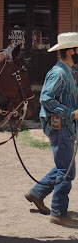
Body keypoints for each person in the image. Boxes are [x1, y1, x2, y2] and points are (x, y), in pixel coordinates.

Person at [24, 32, 78, 228]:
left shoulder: (69, 72)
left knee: (63, 166)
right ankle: (58, 213)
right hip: (61, 125)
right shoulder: (59, 73)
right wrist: (71, 113)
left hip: (65, 126)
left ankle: (37, 193)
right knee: (67, 171)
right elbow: (46, 98)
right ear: (72, 51)